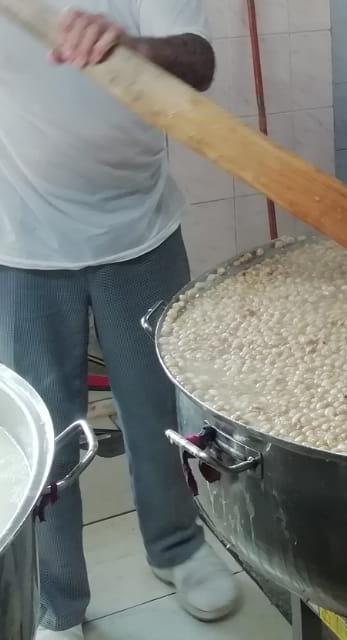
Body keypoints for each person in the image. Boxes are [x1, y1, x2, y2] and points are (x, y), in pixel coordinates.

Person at [0, 4, 240, 639]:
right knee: (45, 439)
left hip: (140, 231)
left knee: (163, 413)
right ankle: (56, 602)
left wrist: (132, 48)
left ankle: (177, 548)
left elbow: (198, 62)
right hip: (21, 245)